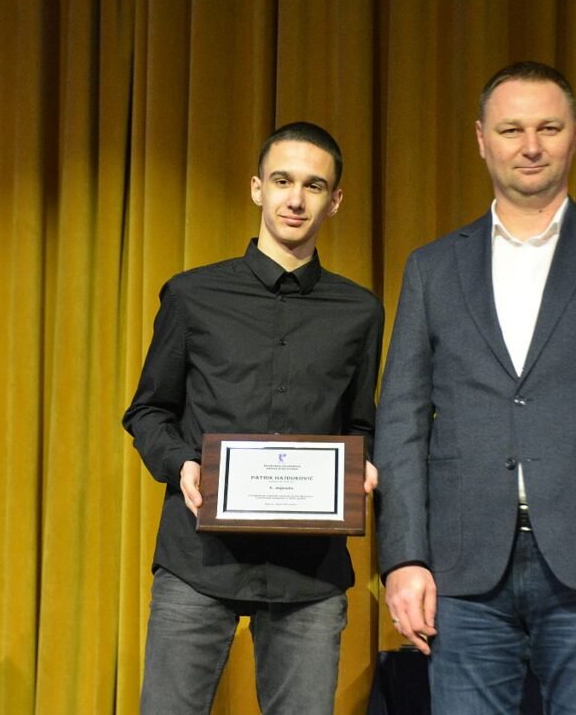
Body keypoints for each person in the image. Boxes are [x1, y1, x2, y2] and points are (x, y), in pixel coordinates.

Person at [374, 62, 576, 714]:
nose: (531, 146)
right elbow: (401, 423)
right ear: (481, 139)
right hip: (463, 577)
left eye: (548, 128)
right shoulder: (432, 268)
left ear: (575, 133)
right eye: (512, 129)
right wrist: (404, 559)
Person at [123, 121, 384, 715]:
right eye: (283, 181)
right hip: (198, 558)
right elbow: (149, 410)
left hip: (309, 573)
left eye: (314, 185)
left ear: (335, 201)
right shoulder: (192, 295)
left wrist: (363, 467)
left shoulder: (360, 311)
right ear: (257, 188)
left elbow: (361, 424)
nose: (296, 199)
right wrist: (181, 464)